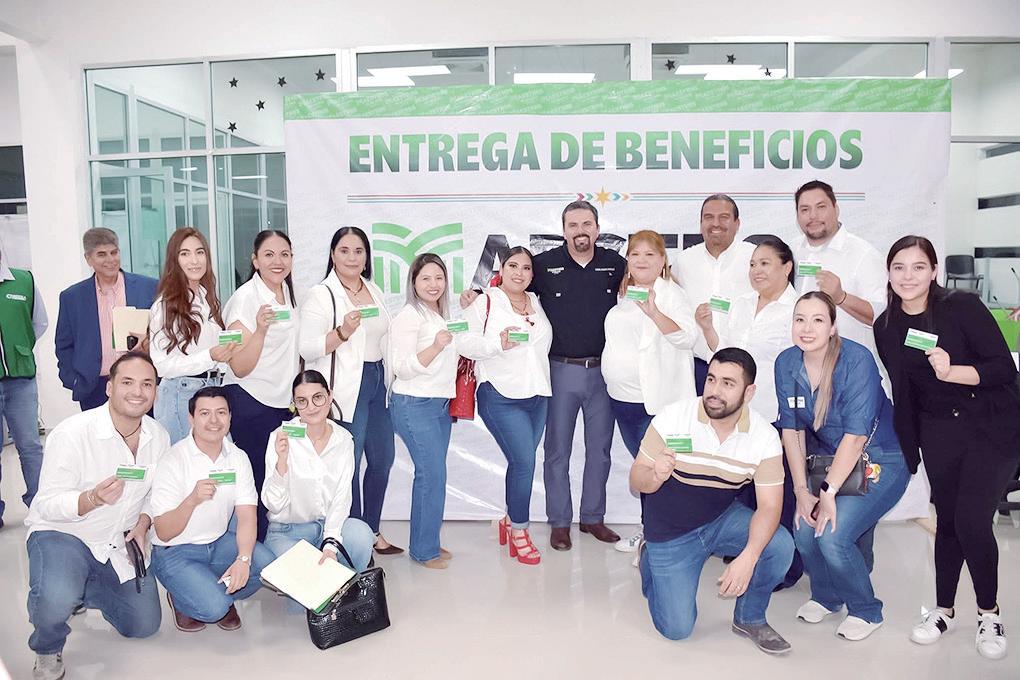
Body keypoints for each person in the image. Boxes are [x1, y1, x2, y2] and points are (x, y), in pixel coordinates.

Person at [874, 236, 1020, 660]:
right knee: (950, 524)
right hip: (939, 432)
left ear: (934, 271)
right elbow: (904, 391)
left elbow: (1003, 369)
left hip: (991, 426)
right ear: (889, 273)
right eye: (899, 267)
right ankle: (943, 610)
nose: (908, 276)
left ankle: (989, 613)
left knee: (972, 522)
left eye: (918, 267)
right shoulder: (886, 326)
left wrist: (953, 371)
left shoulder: (962, 307)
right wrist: (911, 449)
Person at [630, 348, 793, 654]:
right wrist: (655, 476)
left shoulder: (764, 436)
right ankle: (650, 556)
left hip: (720, 519)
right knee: (677, 629)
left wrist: (749, 557)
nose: (715, 391)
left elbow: (771, 506)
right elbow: (636, 478)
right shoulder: (673, 417)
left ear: (749, 392)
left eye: (728, 384)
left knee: (780, 546)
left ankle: (750, 618)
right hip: (670, 530)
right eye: (711, 379)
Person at [25, 352, 166, 680]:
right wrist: (90, 499)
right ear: (109, 388)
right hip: (65, 534)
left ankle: (81, 586)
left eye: (147, 384)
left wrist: (144, 523)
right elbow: (46, 504)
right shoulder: (72, 433)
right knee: (55, 597)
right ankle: (48, 645)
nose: (137, 392)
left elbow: (155, 495)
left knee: (144, 625)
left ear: (155, 392)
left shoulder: (158, 436)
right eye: (127, 382)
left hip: (116, 542)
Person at [776, 291, 908, 641]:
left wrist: (827, 492)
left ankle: (866, 611)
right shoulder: (786, 363)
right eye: (800, 319)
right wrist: (801, 491)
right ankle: (827, 596)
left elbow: (855, 437)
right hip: (831, 460)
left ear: (833, 326)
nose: (807, 328)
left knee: (833, 534)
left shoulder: (856, 360)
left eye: (818, 320)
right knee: (804, 527)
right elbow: (791, 431)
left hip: (881, 458)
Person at [511, 200, 627, 550]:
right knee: (557, 450)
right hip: (560, 371)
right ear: (563, 230)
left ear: (597, 228)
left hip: (603, 372)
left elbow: (649, 282)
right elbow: (511, 288)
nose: (580, 231)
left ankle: (593, 517)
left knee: (600, 450)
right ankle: (559, 522)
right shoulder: (544, 265)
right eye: (573, 225)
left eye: (586, 224)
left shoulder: (615, 264)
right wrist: (475, 295)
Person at [695, 237, 803, 587]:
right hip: (740, 415)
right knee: (742, 490)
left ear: (787, 267)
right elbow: (726, 354)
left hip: (777, 415)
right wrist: (708, 329)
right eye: (753, 264)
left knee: (778, 495)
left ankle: (784, 566)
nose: (756, 270)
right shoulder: (741, 303)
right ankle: (746, 552)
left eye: (765, 263)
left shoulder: (797, 309)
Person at [298, 226, 400, 555]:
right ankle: (354, 540)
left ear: (367, 257)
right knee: (349, 466)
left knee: (383, 459)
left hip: (377, 382)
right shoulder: (321, 294)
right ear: (332, 255)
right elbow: (308, 348)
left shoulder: (373, 290)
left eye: (359, 251)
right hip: (346, 387)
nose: (352, 257)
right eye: (344, 250)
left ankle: (371, 530)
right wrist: (342, 332)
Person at [149, 386, 274, 633]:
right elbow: (163, 531)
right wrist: (191, 500)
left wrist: (243, 559)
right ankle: (187, 597)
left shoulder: (237, 457)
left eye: (221, 413)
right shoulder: (173, 460)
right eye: (205, 413)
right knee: (214, 609)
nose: (214, 420)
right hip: (176, 551)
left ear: (230, 417)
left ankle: (209, 590)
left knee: (266, 566)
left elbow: (247, 517)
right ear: (191, 419)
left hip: (217, 543)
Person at [602, 229, 697, 554]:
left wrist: (655, 312)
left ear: (662, 260)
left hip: (655, 404)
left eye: (649, 254)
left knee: (659, 471)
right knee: (644, 471)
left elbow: (687, 338)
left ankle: (661, 539)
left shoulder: (671, 295)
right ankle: (651, 532)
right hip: (623, 401)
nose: (641, 260)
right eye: (635, 254)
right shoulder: (625, 293)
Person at [458, 246, 552, 565]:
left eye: (526, 268)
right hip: (500, 394)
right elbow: (463, 341)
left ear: (532, 274)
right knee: (525, 462)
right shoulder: (486, 301)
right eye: (513, 266)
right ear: (502, 269)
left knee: (521, 462)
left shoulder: (536, 301)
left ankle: (509, 520)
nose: (519, 273)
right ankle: (519, 530)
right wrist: (497, 344)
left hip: (538, 395)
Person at [263, 370, 376, 610]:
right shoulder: (280, 437)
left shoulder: (343, 440)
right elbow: (273, 504)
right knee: (305, 607)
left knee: (361, 534)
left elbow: (342, 498)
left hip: (326, 525)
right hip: (287, 532)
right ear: (294, 405)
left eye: (318, 397)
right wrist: (281, 463)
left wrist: (330, 545)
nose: (311, 407)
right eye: (302, 401)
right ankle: (331, 589)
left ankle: (338, 588)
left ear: (329, 396)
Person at [221, 229, 300, 540]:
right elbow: (238, 366)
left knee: (276, 479)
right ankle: (251, 553)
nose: (277, 261)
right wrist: (261, 331)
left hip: (281, 404)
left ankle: (272, 549)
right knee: (254, 482)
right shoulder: (245, 299)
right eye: (269, 255)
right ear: (255, 260)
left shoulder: (288, 293)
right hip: (251, 400)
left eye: (284, 254)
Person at [389, 253, 458, 569]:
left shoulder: (441, 315)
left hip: (439, 405)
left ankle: (427, 539)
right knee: (432, 475)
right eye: (426, 278)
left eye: (439, 278)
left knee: (434, 475)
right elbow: (401, 367)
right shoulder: (409, 317)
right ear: (413, 282)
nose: (433, 284)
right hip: (413, 404)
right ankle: (423, 550)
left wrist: (498, 344)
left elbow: (464, 347)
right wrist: (436, 346)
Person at [149, 227, 239, 444]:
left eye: (200, 252)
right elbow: (162, 365)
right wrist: (210, 356)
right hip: (180, 395)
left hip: (212, 390)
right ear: (174, 260)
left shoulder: (206, 298)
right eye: (185, 254)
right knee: (185, 463)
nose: (194, 260)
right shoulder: (165, 305)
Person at [55, 227, 158, 410]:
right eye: (102, 254)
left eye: (114, 252)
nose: (110, 260)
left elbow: (164, 331)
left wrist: (151, 344)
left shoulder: (149, 287)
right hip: (93, 386)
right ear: (88, 258)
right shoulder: (72, 297)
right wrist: (73, 380)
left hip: (140, 381)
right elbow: (64, 344)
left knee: (142, 429)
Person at [791, 180, 886, 362]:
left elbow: (883, 318)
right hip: (801, 364)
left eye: (821, 207)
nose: (813, 216)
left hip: (849, 366)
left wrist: (842, 297)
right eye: (805, 209)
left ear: (836, 209)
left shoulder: (864, 255)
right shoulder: (792, 250)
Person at [672, 194, 756, 394]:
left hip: (744, 367)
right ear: (701, 223)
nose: (715, 223)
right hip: (697, 368)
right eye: (708, 217)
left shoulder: (755, 257)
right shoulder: (684, 260)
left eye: (724, 217)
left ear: (737, 223)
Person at [0, 243, 47, 528]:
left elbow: (39, 323)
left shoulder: (23, 280)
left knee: (30, 446)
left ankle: (41, 506)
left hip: (21, 380)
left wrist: (19, 349)